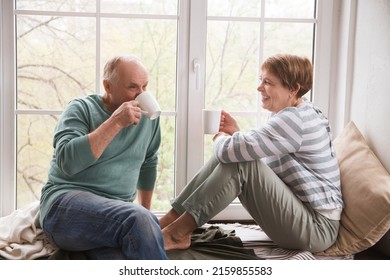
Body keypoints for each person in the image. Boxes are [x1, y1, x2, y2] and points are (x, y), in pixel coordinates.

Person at [160, 54, 344, 253]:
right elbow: (265, 161)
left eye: (268, 82)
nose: (259, 88)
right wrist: (236, 135)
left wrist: (220, 137)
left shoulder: (295, 119)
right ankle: (171, 220)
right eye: (260, 80)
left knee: (239, 161)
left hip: (316, 229)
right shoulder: (298, 112)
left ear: (293, 88)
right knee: (237, 156)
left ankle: (176, 233)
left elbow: (230, 153)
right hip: (307, 220)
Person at [38, 55, 168, 260]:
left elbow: (148, 162)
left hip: (113, 217)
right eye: (133, 87)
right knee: (138, 219)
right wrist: (115, 122)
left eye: (145, 87)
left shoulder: (148, 118)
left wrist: (146, 218)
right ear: (108, 86)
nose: (141, 95)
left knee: (122, 258)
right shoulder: (81, 109)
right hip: (64, 205)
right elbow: (67, 162)